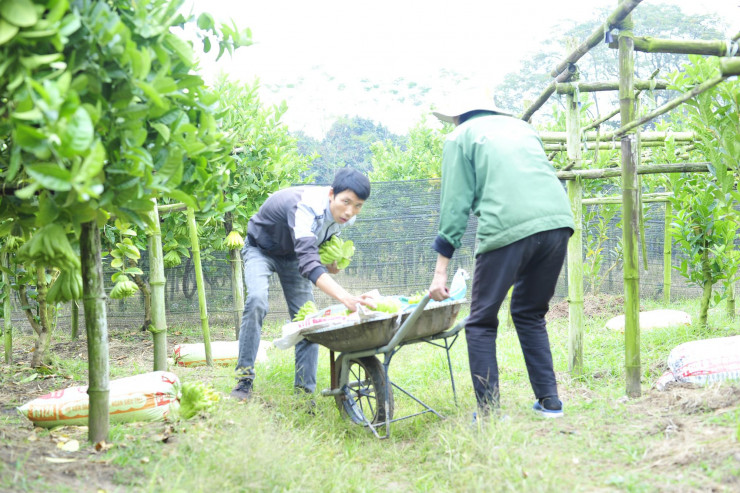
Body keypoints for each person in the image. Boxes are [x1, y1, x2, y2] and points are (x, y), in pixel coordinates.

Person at [427, 99, 575, 419]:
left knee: (480, 321)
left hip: (507, 225)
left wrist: (441, 271)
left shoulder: (460, 136)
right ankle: (550, 402)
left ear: (456, 113)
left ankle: (490, 412)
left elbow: (455, 205)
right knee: (529, 312)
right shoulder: (522, 128)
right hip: (558, 223)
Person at [230, 168, 374, 401]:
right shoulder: (306, 206)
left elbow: (321, 240)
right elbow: (309, 264)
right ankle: (244, 380)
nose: (350, 211)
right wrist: (346, 298)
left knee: (308, 319)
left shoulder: (347, 217)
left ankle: (304, 395)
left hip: (293, 256)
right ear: (331, 194)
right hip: (260, 248)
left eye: (358, 205)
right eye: (346, 202)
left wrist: (332, 262)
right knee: (256, 301)